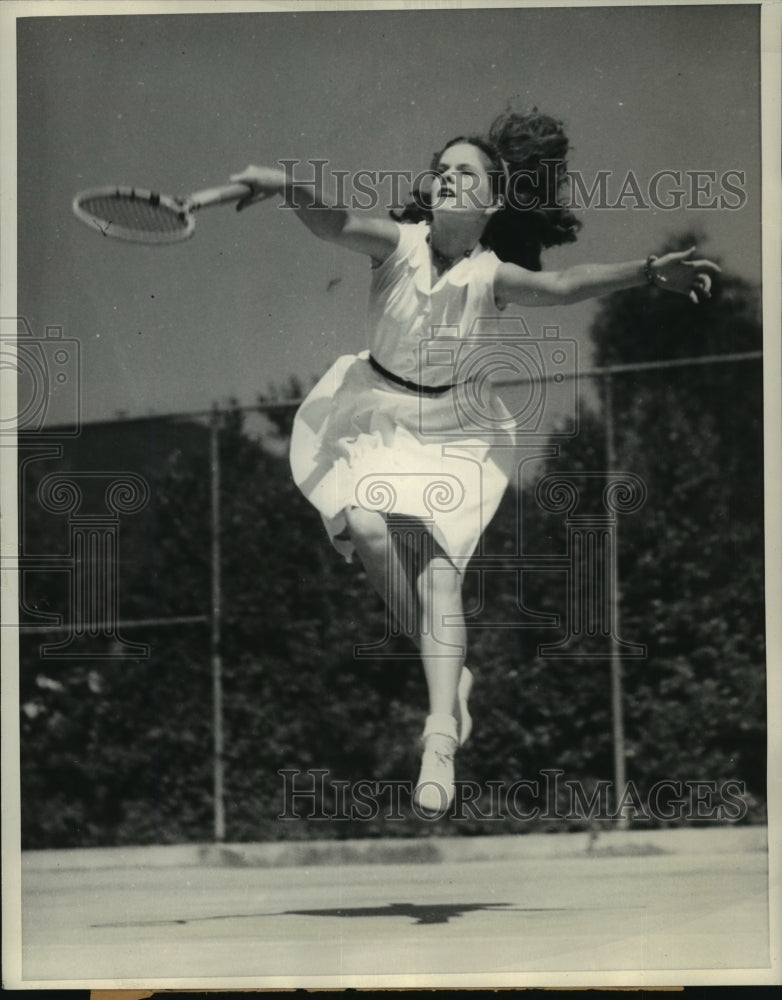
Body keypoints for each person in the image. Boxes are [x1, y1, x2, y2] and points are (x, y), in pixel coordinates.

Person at [230, 109, 719, 817]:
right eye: (444, 170)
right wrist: (286, 183)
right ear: (431, 192)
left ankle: (439, 739)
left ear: (491, 203)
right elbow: (334, 222)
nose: (451, 179)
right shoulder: (397, 245)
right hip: (375, 408)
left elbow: (563, 286)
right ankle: (450, 676)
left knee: (438, 575)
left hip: (455, 427)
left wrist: (645, 272)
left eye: (469, 174)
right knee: (366, 527)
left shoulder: (492, 274)